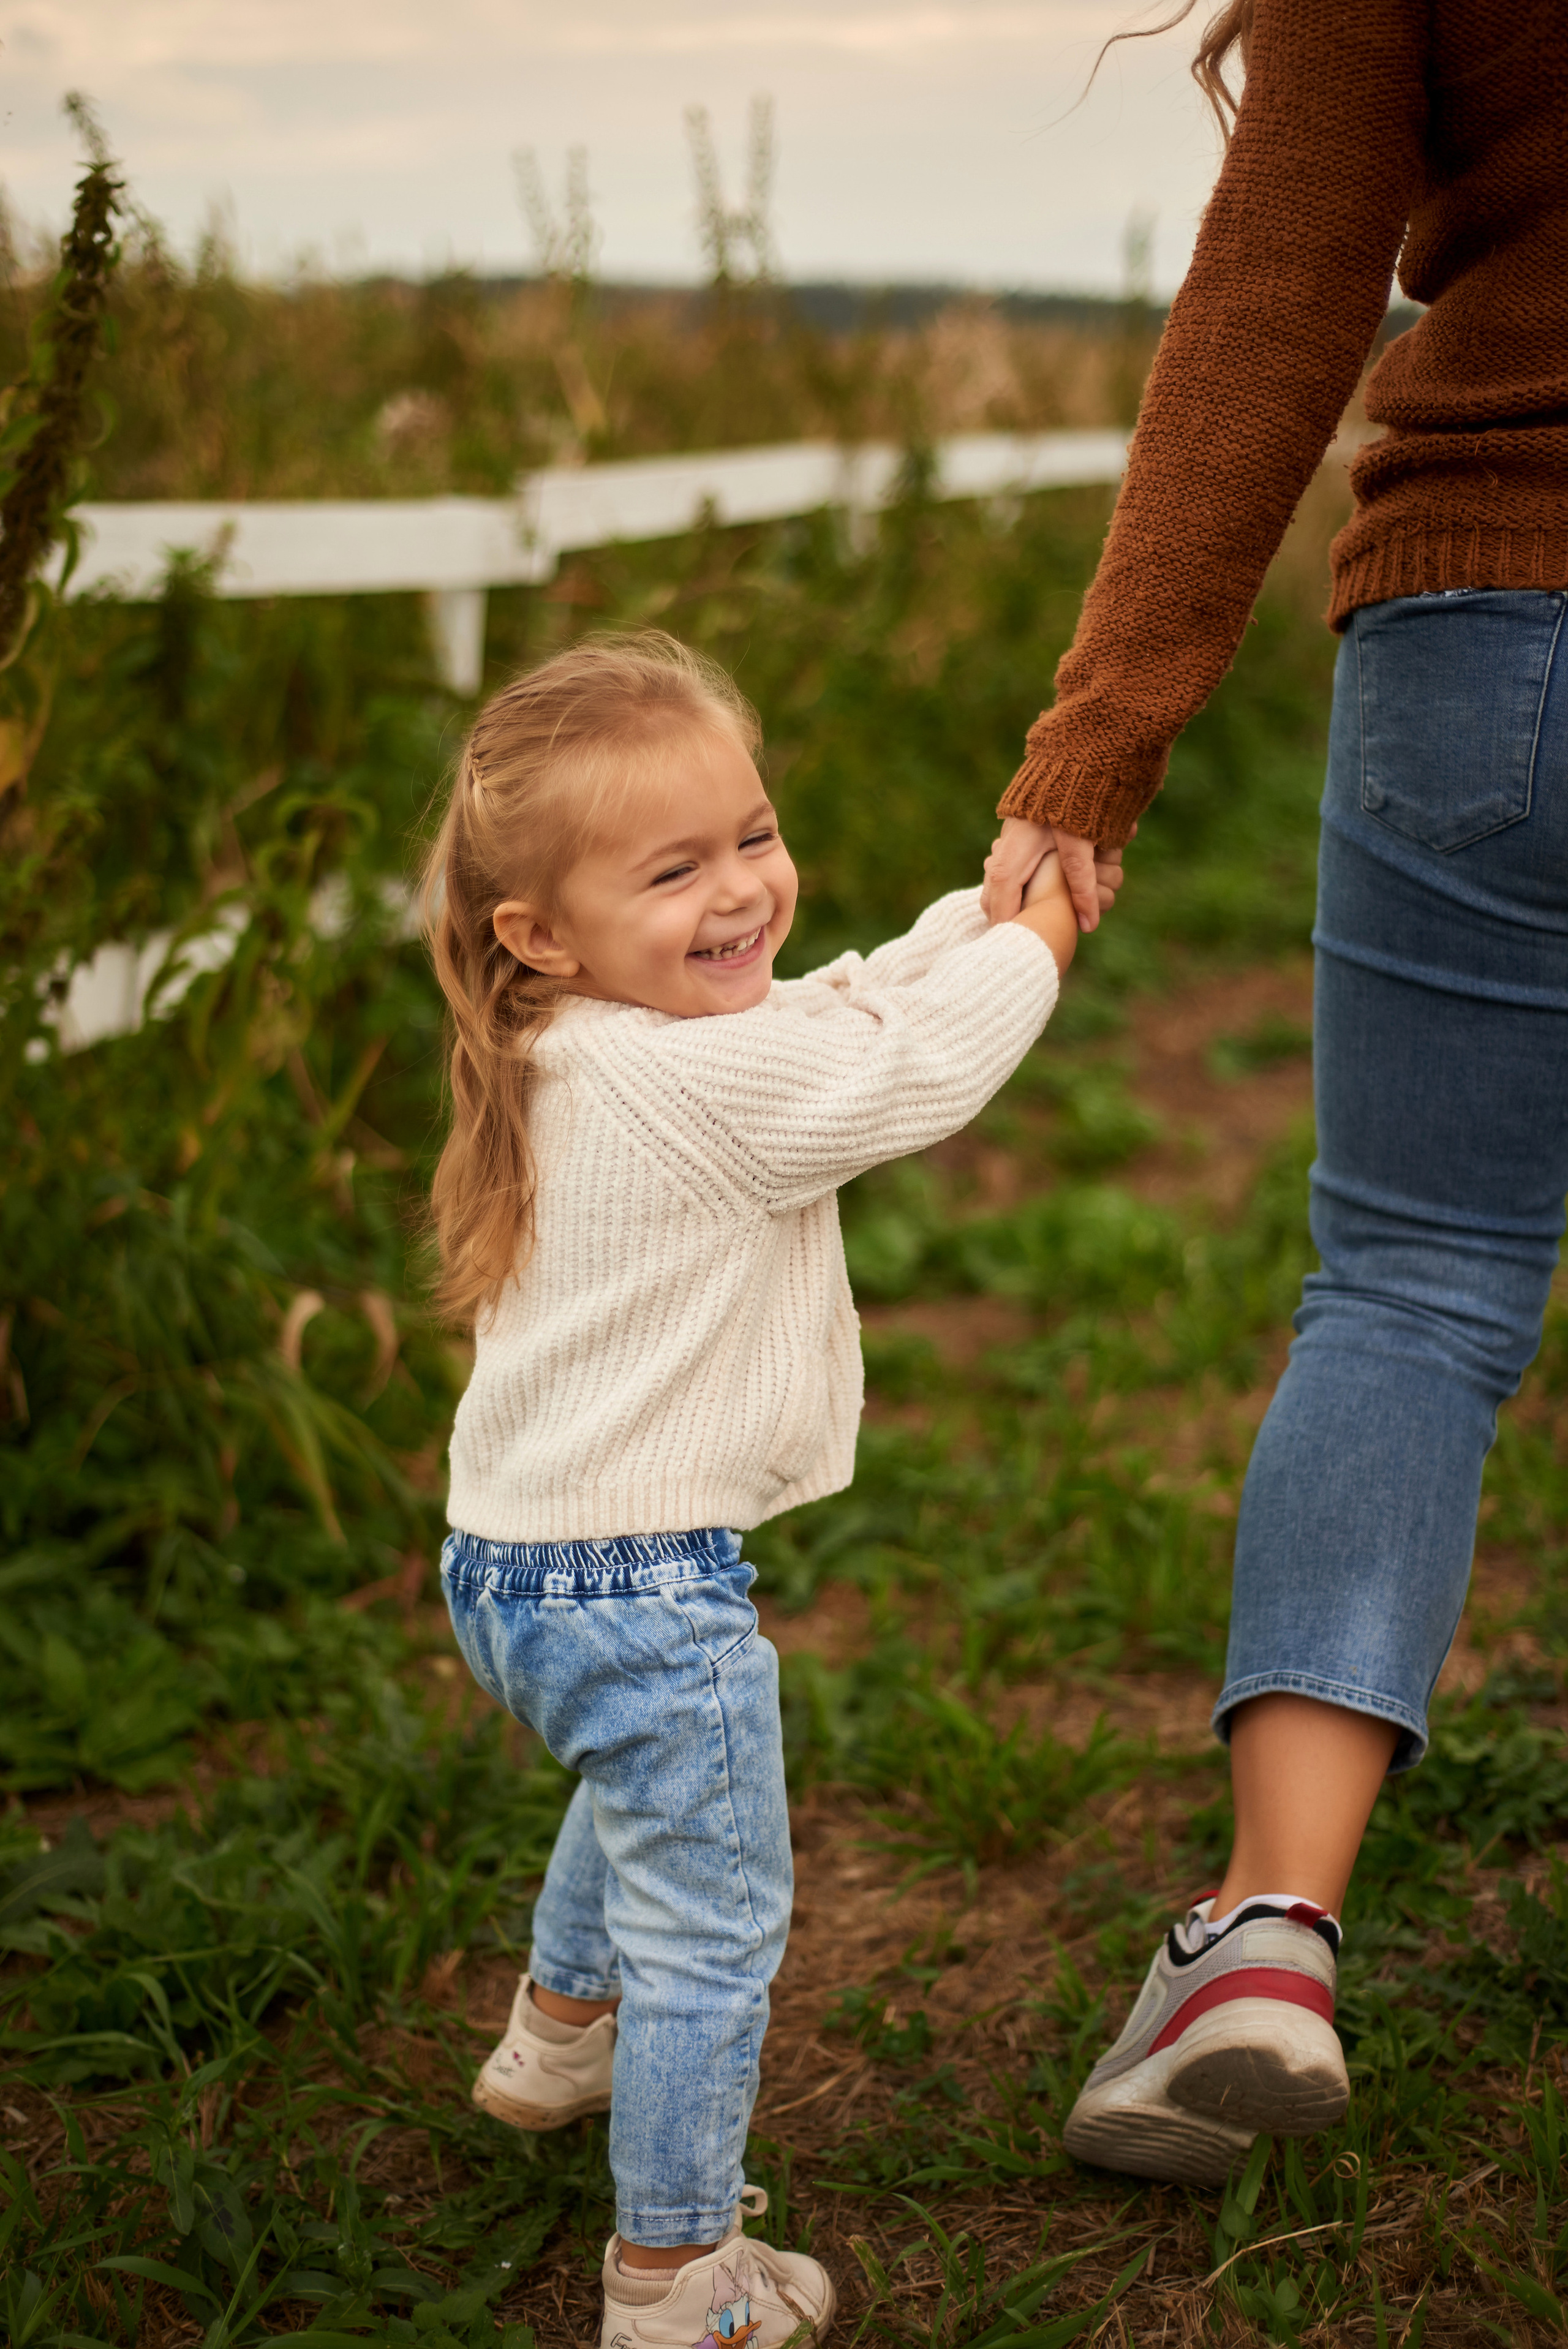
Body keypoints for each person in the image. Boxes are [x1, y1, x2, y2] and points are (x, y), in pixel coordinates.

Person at [981, 0, 1567, 2184]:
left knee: (1415, 1283)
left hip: (1487, 615)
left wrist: (1101, 736)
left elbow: (1281, 274)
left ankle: (1266, 1939)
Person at [422, 632, 1123, 2344]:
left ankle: (558, 2034)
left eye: (755, 832)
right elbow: (905, 1069)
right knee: (717, 1915)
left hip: (510, 1568)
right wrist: (1043, 937)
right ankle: (676, 2279)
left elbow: (843, 999)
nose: (744, 889)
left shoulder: (588, 1036)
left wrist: (981, 904)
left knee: (636, 1789)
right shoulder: (694, 1084)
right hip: (645, 1585)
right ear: (540, 926)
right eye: (676, 869)